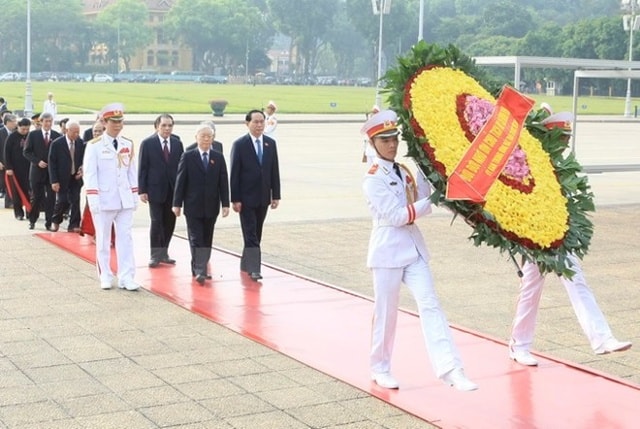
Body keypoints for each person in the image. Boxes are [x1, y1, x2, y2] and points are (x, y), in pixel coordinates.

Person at [362, 109, 477, 391]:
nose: (392, 144)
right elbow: (398, 216)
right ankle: (380, 367)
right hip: (388, 252)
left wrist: (424, 164)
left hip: (413, 250)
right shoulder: (373, 178)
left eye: (395, 138)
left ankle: (451, 369)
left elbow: (422, 197)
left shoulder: (403, 170)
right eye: (385, 140)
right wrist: (435, 200)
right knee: (387, 313)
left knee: (430, 305)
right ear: (373, 143)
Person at [508, 107, 632, 366]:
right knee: (531, 291)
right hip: (534, 237)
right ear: (549, 136)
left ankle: (602, 338)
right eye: (562, 136)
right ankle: (519, 345)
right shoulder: (530, 160)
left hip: (557, 236)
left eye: (567, 136)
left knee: (576, 281)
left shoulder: (562, 164)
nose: (566, 142)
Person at [83, 103, 139, 291]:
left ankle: (126, 276)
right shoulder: (95, 146)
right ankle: (105, 275)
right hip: (104, 199)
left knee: (126, 238)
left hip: (124, 199)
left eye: (120, 121)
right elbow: (90, 174)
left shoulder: (127, 143)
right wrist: (93, 199)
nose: (117, 125)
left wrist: (134, 195)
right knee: (104, 240)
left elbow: (131, 172)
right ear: (105, 122)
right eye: (113, 122)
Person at [172, 124, 229, 284]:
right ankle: (200, 269)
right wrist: (177, 204)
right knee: (196, 238)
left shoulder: (218, 157)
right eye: (202, 136)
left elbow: (223, 182)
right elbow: (180, 182)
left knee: (206, 238)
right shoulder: (188, 156)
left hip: (211, 206)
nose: (206, 139)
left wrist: (225, 204)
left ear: (213, 139)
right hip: (193, 206)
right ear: (196, 138)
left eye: (209, 136)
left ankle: (199, 266)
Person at [229, 109, 281, 281]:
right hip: (245, 199)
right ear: (247, 124)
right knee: (250, 233)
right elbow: (234, 174)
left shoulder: (270, 144)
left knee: (256, 233)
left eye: (262, 122)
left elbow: (274, 171)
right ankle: (254, 269)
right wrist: (234, 199)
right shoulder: (240, 144)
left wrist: (276, 195)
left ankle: (245, 262)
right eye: (255, 122)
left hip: (263, 197)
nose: (259, 125)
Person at [138, 114, 184, 267]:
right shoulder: (148, 143)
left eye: (170, 125)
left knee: (169, 222)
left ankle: (164, 253)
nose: (167, 128)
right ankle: (155, 255)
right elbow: (143, 168)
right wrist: (142, 190)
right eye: (164, 125)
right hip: (155, 190)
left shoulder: (177, 143)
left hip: (173, 190)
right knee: (157, 222)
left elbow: (181, 169)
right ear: (157, 126)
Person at [23, 112, 60, 230]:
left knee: (51, 199)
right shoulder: (33, 135)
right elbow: (26, 152)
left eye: (50, 121)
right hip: (37, 172)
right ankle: (32, 220)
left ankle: (49, 222)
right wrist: (37, 161)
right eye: (46, 121)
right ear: (41, 122)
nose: (48, 123)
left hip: (51, 173)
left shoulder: (56, 135)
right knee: (37, 197)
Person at [48, 119, 84, 232]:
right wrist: (54, 181)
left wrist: (81, 170)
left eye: (78, 132)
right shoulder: (57, 143)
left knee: (75, 200)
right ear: (67, 130)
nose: (76, 135)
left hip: (75, 177)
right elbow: (52, 163)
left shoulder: (80, 142)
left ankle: (74, 224)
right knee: (62, 200)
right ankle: (55, 220)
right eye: (74, 132)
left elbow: (83, 159)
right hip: (61, 177)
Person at [4, 118, 32, 220]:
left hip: (28, 168)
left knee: (29, 191)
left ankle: (29, 212)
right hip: (15, 169)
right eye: (23, 129)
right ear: (18, 127)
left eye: (27, 129)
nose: (25, 131)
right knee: (16, 192)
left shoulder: (31, 136)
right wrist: (9, 167)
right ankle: (19, 213)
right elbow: (7, 153)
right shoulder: (12, 137)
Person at [0, 112, 17, 205]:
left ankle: (10, 202)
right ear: (8, 122)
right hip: (2, 163)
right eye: (13, 121)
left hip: (12, 163)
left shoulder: (15, 133)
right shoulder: (1, 132)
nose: (15, 123)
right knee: (3, 183)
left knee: (11, 183)